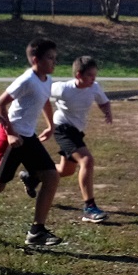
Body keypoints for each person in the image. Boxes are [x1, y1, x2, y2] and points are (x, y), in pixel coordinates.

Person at [0, 37, 65, 248]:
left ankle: (37, 231)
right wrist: (10, 133)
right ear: (35, 59)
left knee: (51, 176)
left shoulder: (46, 80)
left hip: (27, 136)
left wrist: (50, 125)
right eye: (50, 58)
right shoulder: (26, 80)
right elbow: (0, 105)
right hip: (11, 137)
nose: (54, 62)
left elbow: (45, 100)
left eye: (55, 58)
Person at [50, 55, 114, 223]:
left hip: (76, 131)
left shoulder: (94, 87)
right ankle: (89, 207)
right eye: (89, 75)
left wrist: (107, 111)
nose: (93, 79)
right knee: (87, 160)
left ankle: (33, 175)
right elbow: (40, 91)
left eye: (95, 75)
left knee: (67, 170)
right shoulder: (63, 88)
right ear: (78, 75)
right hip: (62, 128)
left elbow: (103, 101)